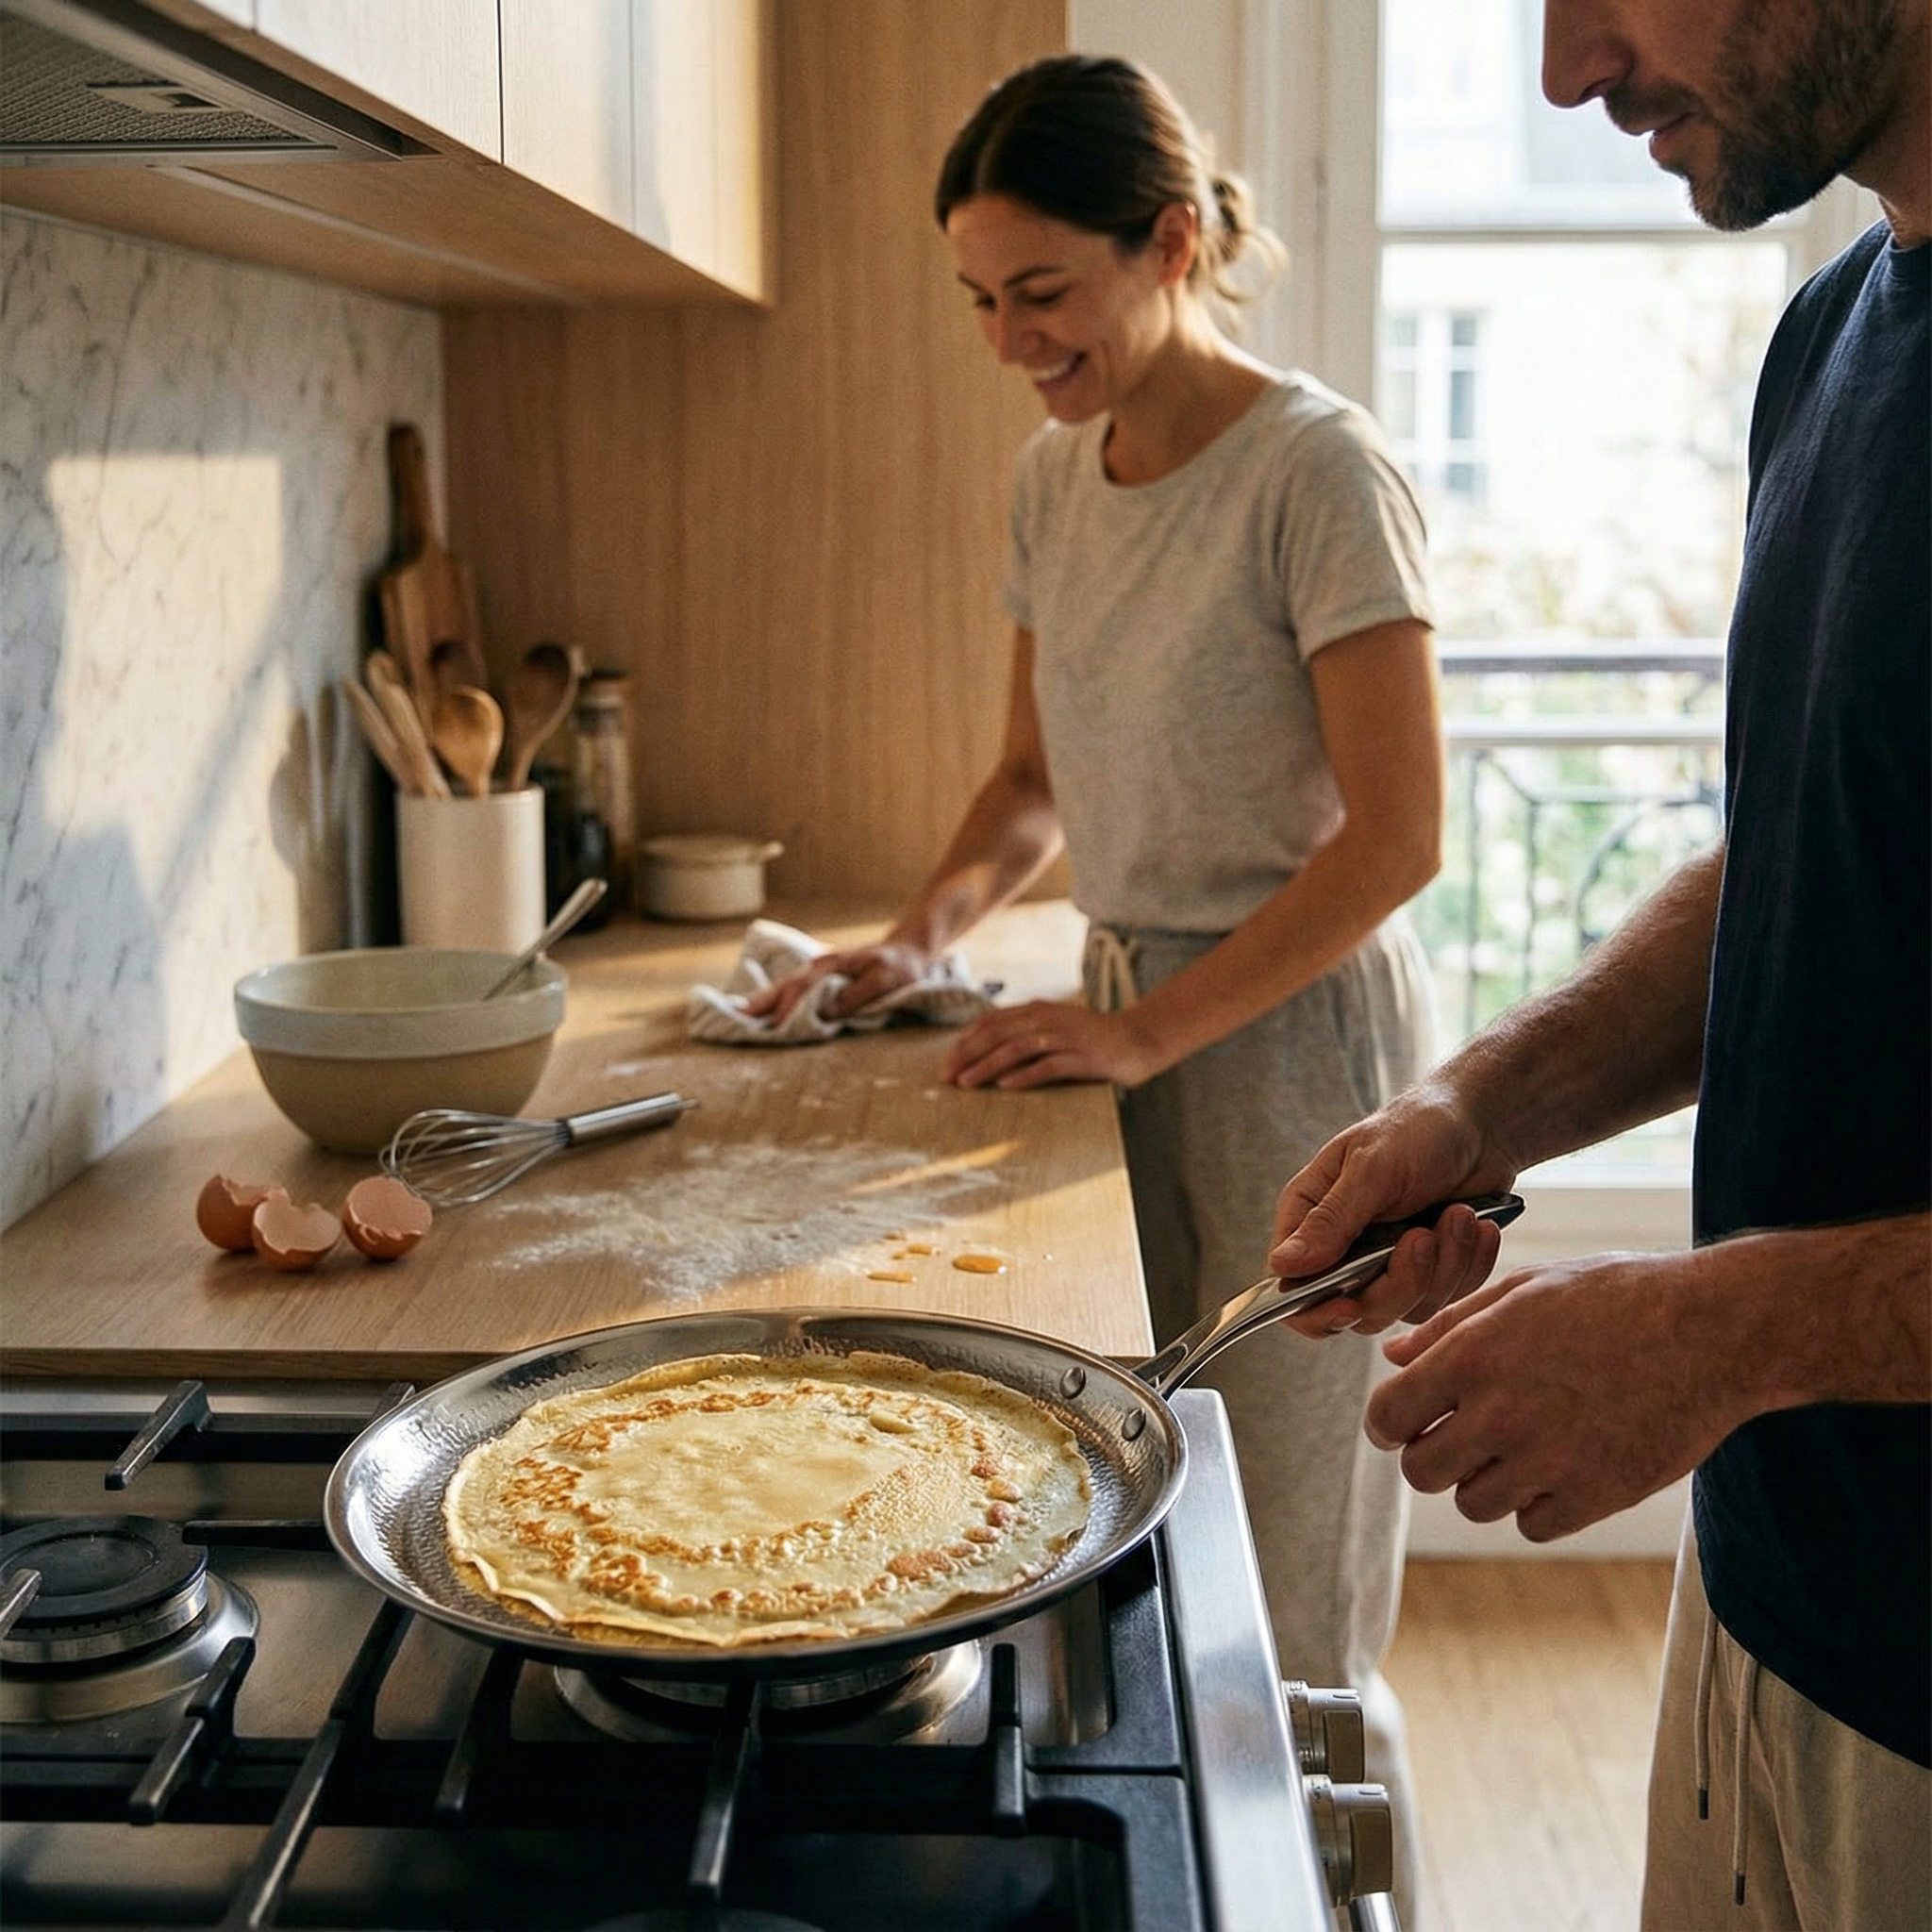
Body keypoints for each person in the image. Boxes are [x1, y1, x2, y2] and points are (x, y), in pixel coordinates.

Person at [746, 53, 1444, 1912]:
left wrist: (1144, 1024)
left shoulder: (1317, 470)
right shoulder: (1056, 478)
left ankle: (1325, 1870)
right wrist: (927, 926)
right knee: (1118, 1494)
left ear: (1174, 239)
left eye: (1039, 292)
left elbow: (1392, 840)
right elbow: (1032, 785)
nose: (1005, 341)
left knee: (1281, 1548)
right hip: (1127, 1023)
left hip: (1300, 1043)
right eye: (979, 300)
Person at [1267, 2, 1930, 1925]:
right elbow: (1818, 850)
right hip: (1765, 1599)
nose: (1566, 71)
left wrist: (1720, 1332)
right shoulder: (1832, 337)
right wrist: (1481, 1103)